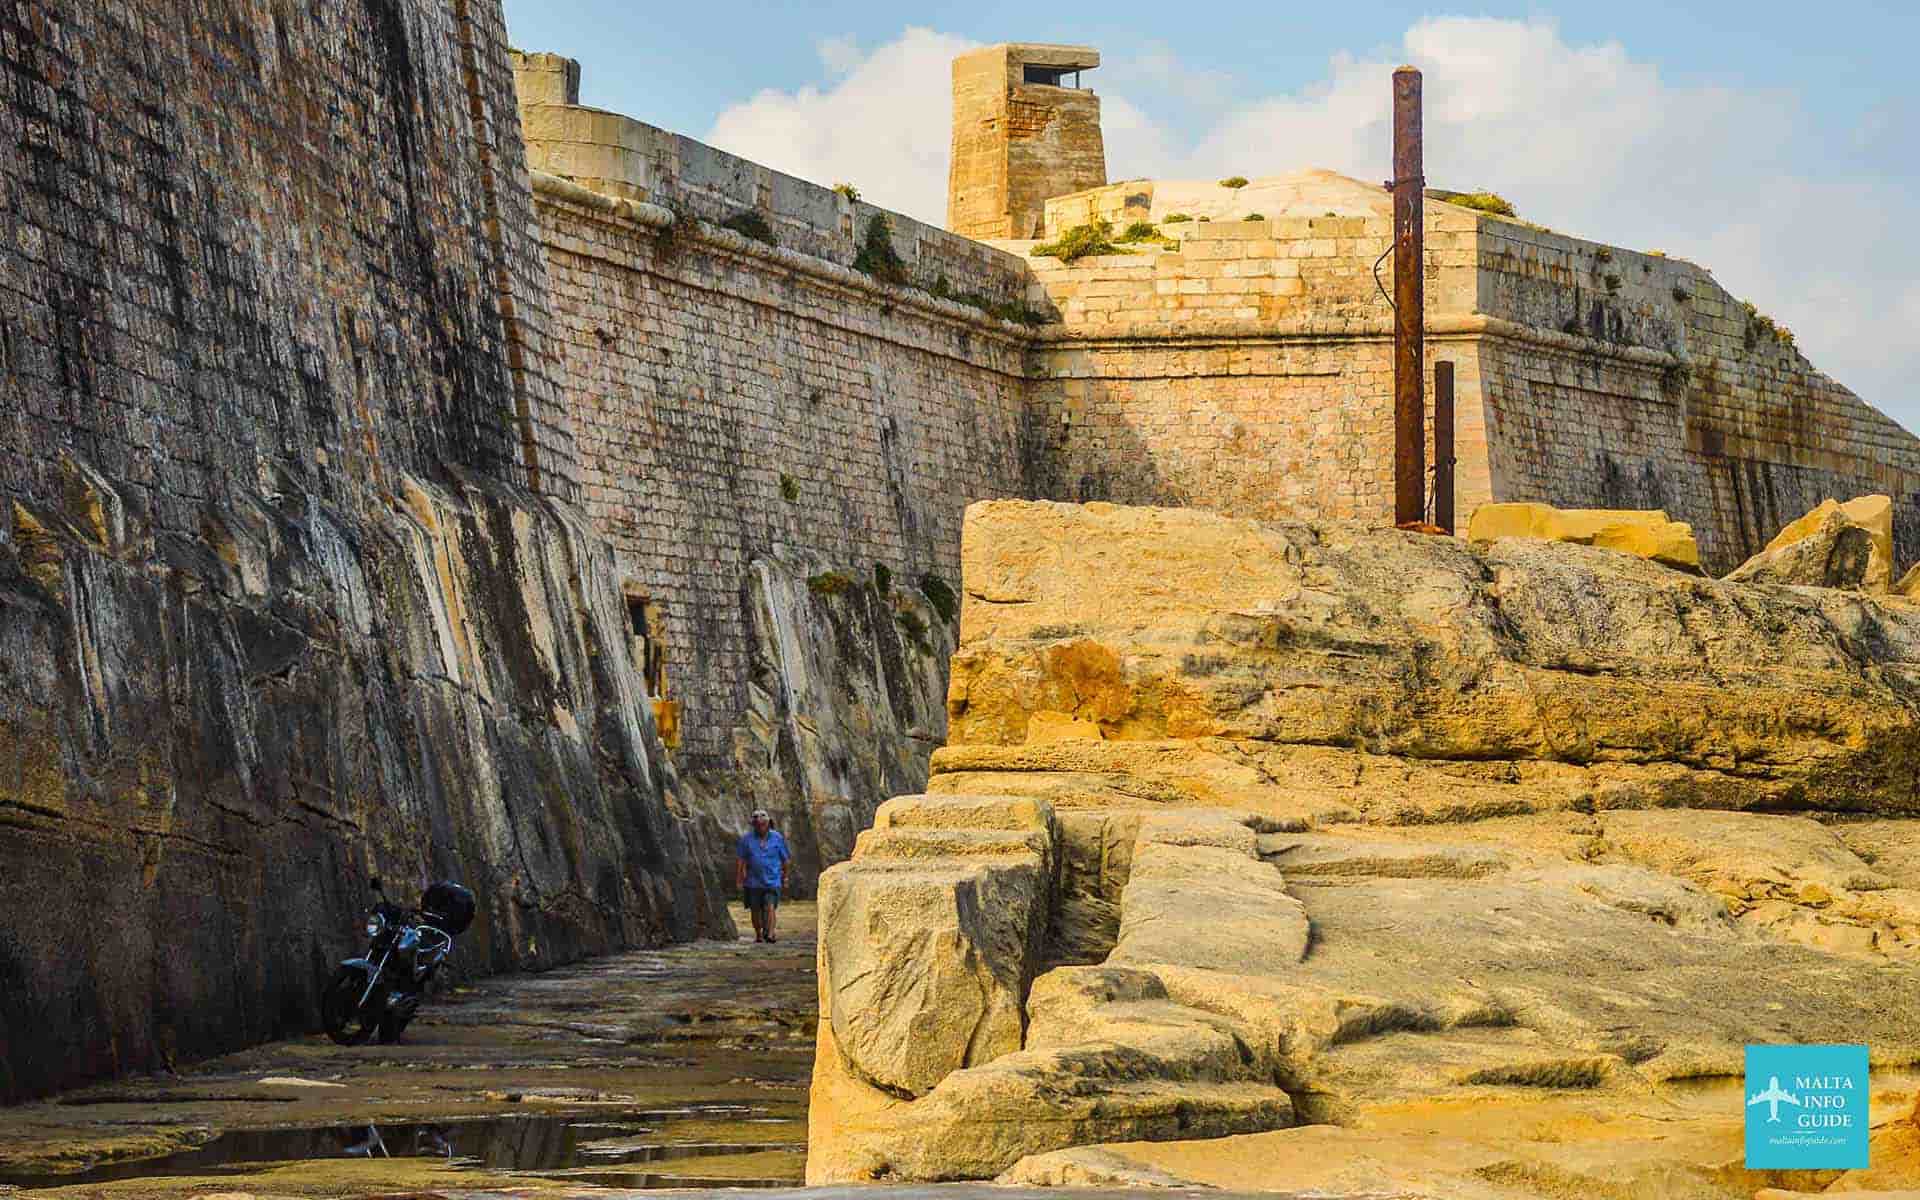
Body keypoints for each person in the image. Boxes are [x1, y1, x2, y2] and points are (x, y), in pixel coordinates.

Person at [734, 808, 791, 943]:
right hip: (753, 882)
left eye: (763, 823)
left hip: (772, 881)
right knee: (755, 910)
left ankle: (770, 933)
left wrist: (786, 876)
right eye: (757, 824)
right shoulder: (746, 840)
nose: (760, 826)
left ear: (768, 824)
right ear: (753, 825)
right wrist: (739, 880)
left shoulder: (777, 838)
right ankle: (759, 934)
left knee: (770, 906)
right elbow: (741, 861)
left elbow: (786, 859)